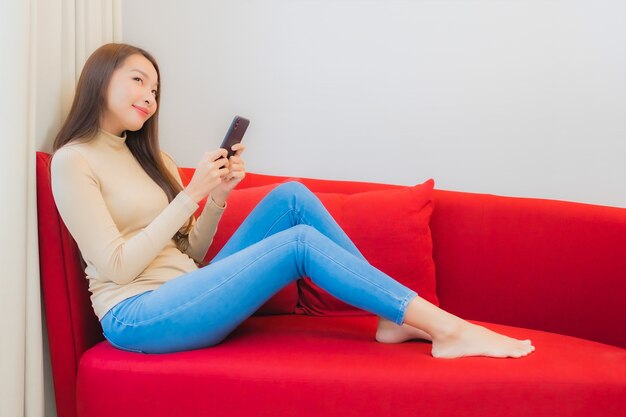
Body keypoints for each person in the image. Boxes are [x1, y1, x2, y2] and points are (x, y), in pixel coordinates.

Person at [51, 43, 535, 358]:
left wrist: (216, 196)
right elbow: (115, 267)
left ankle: (395, 317)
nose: (150, 96)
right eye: (138, 80)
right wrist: (191, 193)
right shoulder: (74, 161)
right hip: (137, 315)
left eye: (155, 88)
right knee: (298, 243)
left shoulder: (153, 155)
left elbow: (190, 256)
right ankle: (446, 328)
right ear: (100, 78)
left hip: (185, 291)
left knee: (292, 198)